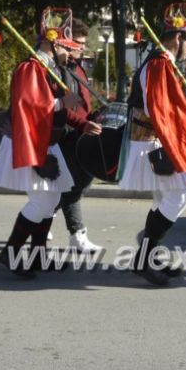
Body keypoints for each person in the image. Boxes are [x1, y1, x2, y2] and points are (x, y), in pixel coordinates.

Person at [0, 7, 82, 278]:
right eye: (67, 47)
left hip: (47, 142)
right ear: (52, 42)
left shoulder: (51, 68)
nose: (70, 53)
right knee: (42, 201)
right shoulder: (31, 67)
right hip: (29, 141)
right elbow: (28, 107)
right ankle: (12, 252)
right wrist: (62, 102)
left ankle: (38, 256)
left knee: (51, 199)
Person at [119, 2, 186, 286]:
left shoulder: (162, 63)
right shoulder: (158, 63)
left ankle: (148, 258)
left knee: (162, 199)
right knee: (177, 197)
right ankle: (144, 260)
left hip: (152, 140)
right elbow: (161, 109)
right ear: (178, 38)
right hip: (150, 142)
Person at [54, 18, 103, 252]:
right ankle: (77, 234)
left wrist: (97, 115)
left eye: (83, 44)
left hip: (83, 132)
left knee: (82, 182)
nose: (82, 48)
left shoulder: (79, 68)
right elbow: (63, 109)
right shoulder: (58, 71)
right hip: (66, 135)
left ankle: (44, 218)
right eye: (78, 44)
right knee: (72, 186)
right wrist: (83, 124)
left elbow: (84, 103)